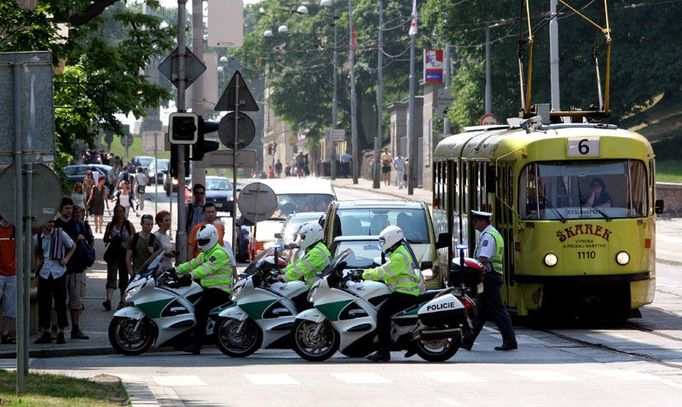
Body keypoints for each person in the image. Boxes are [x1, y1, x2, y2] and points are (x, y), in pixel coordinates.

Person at [361, 225, 421, 362]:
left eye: (383, 241)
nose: (381, 244)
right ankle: (407, 342)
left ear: (391, 239)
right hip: (404, 291)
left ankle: (383, 352)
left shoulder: (399, 256)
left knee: (383, 313)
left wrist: (363, 273)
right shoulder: (399, 252)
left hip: (405, 292)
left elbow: (383, 271)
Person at [175, 224, 236, 354]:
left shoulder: (219, 253)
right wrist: (175, 270)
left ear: (213, 238)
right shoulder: (206, 253)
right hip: (208, 289)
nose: (201, 243)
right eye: (200, 241)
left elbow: (206, 268)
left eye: (204, 241)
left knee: (200, 309)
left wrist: (190, 275)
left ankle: (197, 344)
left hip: (220, 291)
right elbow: (192, 264)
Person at [461, 210, 517, 351]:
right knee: (480, 312)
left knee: (498, 311)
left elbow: (484, 259)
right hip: (489, 276)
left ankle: (510, 341)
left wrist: (470, 267)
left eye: (475, 221)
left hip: (489, 277)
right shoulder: (491, 234)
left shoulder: (488, 237)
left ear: (483, 221)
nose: (474, 223)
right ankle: (467, 341)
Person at [33, 218, 76, 344]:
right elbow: (36, 250)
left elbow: (73, 245)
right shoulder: (38, 237)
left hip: (58, 272)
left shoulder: (60, 234)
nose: (51, 224)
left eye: (52, 222)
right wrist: (37, 262)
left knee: (60, 303)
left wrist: (66, 258)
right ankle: (46, 332)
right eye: (48, 221)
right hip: (45, 273)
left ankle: (61, 333)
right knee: (44, 304)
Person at [54, 197, 90, 340]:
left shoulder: (78, 224)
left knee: (76, 301)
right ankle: (56, 329)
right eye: (66, 208)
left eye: (71, 208)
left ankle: (76, 329)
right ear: (61, 210)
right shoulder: (56, 225)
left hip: (76, 267)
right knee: (58, 301)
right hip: (59, 268)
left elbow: (85, 241)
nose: (69, 211)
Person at [279, 222, 331, 310]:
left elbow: (300, 269)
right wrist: (283, 270)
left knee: (294, 300)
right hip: (314, 287)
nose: (302, 240)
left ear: (312, 235)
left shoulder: (317, 252)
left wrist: (284, 278)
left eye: (303, 237)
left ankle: (299, 323)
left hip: (316, 289)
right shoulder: (315, 248)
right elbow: (298, 263)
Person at [102, 205, 135, 311]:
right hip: (113, 253)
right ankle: (108, 300)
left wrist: (126, 245)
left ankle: (122, 301)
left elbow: (134, 240)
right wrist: (112, 238)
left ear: (124, 213)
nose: (120, 213)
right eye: (117, 211)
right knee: (111, 276)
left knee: (124, 278)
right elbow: (105, 239)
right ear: (115, 213)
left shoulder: (129, 225)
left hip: (124, 254)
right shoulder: (111, 225)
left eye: (121, 211)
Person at [126, 214, 162, 278]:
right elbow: (128, 258)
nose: (150, 227)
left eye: (152, 224)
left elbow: (161, 258)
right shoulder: (134, 238)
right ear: (141, 224)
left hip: (151, 274)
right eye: (148, 224)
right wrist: (131, 274)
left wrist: (152, 253)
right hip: (137, 272)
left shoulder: (155, 239)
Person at [0, 215, 16, 344]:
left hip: (12, 272)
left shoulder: (14, 230)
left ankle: (6, 333)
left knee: (10, 305)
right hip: (0, 272)